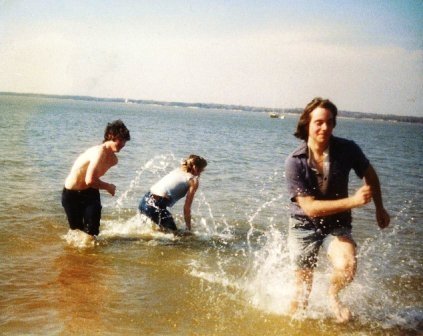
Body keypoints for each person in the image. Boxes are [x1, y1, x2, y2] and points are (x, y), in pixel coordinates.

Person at [284, 97, 390, 323]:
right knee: (301, 295)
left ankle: (333, 296)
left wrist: (380, 208)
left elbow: (370, 175)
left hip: (337, 224)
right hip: (303, 227)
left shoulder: (347, 149)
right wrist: (353, 201)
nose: (325, 127)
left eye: (330, 122)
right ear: (307, 124)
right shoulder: (295, 161)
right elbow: (310, 208)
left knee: (348, 266)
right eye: (319, 122)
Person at [62, 120, 130, 238]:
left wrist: (106, 187)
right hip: (71, 194)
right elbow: (90, 180)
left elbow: (91, 181)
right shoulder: (99, 151)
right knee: (76, 232)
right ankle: (74, 255)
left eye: (125, 141)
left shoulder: (113, 160)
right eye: (121, 140)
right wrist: (108, 187)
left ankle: (92, 255)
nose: (123, 144)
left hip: (90, 192)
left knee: (92, 232)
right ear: (110, 136)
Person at [139, 154, 207, 233]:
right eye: (202, 170)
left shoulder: (178, 170)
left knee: (161, 231)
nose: (201, 173)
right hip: (155, 206)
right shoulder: (193, 181)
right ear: (196, 168)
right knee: (176, 236)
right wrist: (188, 228)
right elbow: (186, 208)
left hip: (144, 201)